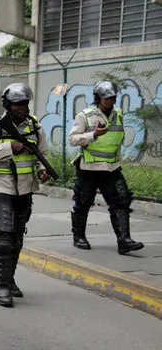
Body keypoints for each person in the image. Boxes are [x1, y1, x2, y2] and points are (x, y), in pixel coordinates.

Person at [0, 83, 50, 308]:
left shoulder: (35, 125)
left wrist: (42, 170)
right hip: (1, 188)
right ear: (8, 104)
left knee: (17, 239)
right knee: (5, 239)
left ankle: (9, 277)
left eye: (25, 103)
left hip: (25, 189)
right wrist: (10, 148)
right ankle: (2, 285)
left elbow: (42, 153)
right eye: (18, 103)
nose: (22, 107)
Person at [68, 81, 144, 255]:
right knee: (83, 203)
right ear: (98, 98)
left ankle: (124, 240)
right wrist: (93, 134)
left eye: (112, 98)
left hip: (111, 168)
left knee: (122, 200)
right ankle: (79, 236)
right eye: (106, 98)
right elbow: (73, 139)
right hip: (89, 168)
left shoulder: (118, 114)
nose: (110, 101)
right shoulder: (85, 115)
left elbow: (117, 139)